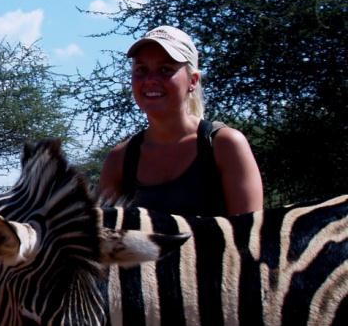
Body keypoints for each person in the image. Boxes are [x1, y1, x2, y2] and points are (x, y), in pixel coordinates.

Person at [98, 26, 263, 216]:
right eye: (141, 69)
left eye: (165, 69)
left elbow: (249, 236)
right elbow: (104, 237)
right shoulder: (120, 159)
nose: (150, 80)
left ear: (193, 81)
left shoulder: (224, 145)